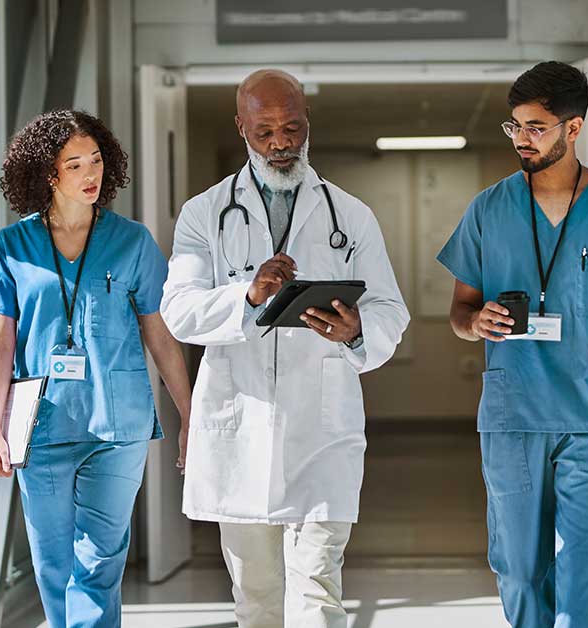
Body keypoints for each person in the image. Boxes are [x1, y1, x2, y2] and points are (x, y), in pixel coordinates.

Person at [161, 69, 409, 628]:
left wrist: (357, 332)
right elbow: (178, 311)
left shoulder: (351, 214)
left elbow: (391, 309)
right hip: (239, 425)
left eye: (291, 128)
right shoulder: (205, 214)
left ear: (306, 125)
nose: (280, 142)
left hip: (321, 430)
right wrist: (246, 296)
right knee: (257, 600)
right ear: (241, 128)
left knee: (318, 591)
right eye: (264, 130)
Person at [437, 61, 588, 628]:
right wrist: (475, 325)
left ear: (573, 129)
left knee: (583, 570)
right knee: (519, 570)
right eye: (515, 126)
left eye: (536, 127)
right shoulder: (488, 209)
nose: (522, 139)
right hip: (513, 414)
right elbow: (459, 311)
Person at [0, 110, 192, 628]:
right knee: (53, 561)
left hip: (119, 424)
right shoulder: (12, 247)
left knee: (100, 558)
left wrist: (189, 413)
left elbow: (159, 334)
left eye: (96, 160)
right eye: (75, 165)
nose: (91, 174)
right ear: (47, 174)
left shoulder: (131, 241)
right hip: (42, 426)